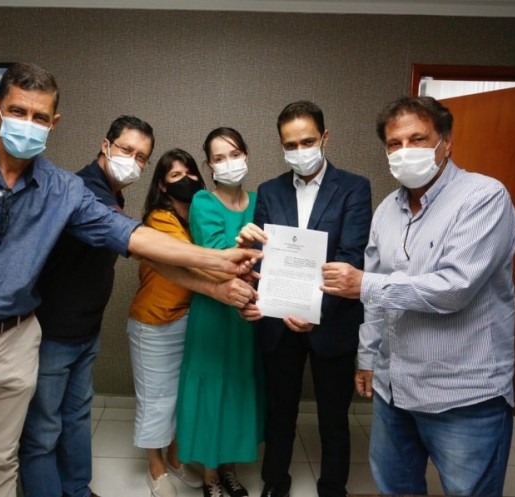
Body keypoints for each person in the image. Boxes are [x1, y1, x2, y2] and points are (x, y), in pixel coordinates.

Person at [0, 62, 260, 497]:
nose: (28, 123)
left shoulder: (61, 188)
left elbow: (131, 237)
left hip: (19, 339)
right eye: (18, 111)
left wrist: (217, 267)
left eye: (40, 116)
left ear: (54, 123)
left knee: (1, 463)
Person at [321, 96, 515, 497]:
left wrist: (364, 284)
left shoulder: (483, 198)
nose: (405, 151)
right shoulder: (386, 211)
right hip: (394, 389)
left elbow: (454, 288)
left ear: (446, 142)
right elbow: (377, 299)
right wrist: (368, 358)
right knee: (396, 488)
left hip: (462, 396)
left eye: (418, 139)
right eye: (395, 144)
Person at [236, 101, 372, 497]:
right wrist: (251, 270)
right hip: (279, 321)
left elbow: (351, 255)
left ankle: (333, 486)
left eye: (307, 142)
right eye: (290, 145)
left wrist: (315, 311)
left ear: (324, 138)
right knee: (280, 410)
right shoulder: (270, 190)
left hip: (333, 320)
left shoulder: (354, 188)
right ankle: (275, 481)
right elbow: (262, 255)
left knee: (334, 416)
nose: (300, 151)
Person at [18, 115, 155, 497]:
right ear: (105, 145)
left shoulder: (112, 191)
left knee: (77, 417)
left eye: (141, 157)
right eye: (127, 149)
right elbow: (131, 242)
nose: (132, 161)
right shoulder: (81, 189)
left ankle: (77, 489)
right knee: (43, 430)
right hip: (53, 332)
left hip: (85, 330)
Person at [128, 148, 258, 497]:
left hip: (189, 316)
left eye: (189, 173)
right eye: (175, 176)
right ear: (162, 186)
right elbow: (191, 261)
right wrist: (232, 275)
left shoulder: (195, 214)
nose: (185, 180)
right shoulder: (160, 219)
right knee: (156, 398)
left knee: (180, 396)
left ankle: (176, 458)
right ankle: (155, 467)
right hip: (154, 320)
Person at [177, 128, 264, 497]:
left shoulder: (260, 201)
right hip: (214, 312)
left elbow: (273, 257)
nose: (228, 163)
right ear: (210, 165)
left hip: (249, 315)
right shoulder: (203, 202)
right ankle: (211, 475)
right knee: (212, 388)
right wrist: (245, 244)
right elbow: (215, 259)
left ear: (246, 155)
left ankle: (229, 468)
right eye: (218, 158)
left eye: (234, 154)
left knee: (239, 387)